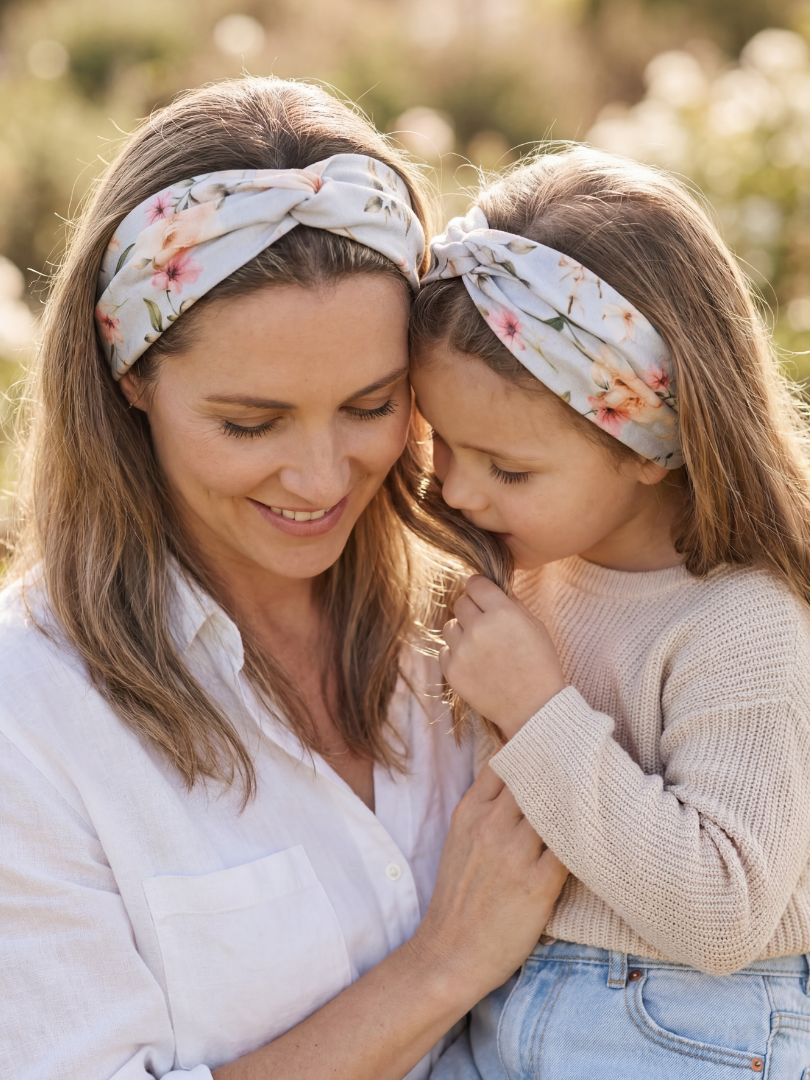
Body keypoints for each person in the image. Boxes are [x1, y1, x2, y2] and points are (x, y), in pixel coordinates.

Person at [0, 78, 569, 1080]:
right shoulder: (32, 722)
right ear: (129, 376)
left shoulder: (498, 616)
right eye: (249, 424)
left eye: (371, 405)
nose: (318, 481)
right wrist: (443, 965)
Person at [408, 146, 810, 1078]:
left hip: (681, 1024)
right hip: (509, 1002)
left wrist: (539, 710)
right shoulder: (536, 571)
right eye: (444, 443)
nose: (457, 490)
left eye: (508, 469)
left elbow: (724, 914)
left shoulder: (743, 622)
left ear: (652, 443)